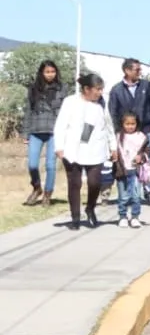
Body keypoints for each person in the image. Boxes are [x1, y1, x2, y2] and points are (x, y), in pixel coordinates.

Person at [52, 72, 113, 230]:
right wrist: (59, 146)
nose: (100, 93)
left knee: (94, 183)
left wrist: (113, 147)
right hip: (73, 149)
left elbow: (109, 126)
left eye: (101, 89)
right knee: (75, 183)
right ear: (86, 89)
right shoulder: (70, 101)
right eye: (97, 89)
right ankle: (75, 218)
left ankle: (90, 208)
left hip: (95, 149)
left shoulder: (101, 104)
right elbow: (60, 125)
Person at [108, 58, 150, 206]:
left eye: (140, 69)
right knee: (128, 162)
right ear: (127, 70)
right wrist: (115, 134)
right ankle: (128, 192)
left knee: (147, 162)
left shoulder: (147, 86)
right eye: (137, 70)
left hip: (145, 130)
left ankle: (149, 190)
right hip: (125, 134)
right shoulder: (116, 90)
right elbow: (112, 113)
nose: (140, 72)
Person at [22, 59, 66, 207]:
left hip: (54, 131)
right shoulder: (33, 88)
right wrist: (26, 133)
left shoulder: (62, 88)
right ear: (41, 73)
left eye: (53, 71)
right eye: (47, 72)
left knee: (50, 166)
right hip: (35, 130)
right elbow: (28, 111)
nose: (50, 74)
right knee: (32, 165)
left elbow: (66, 113)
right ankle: (36, 188)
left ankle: (47, 194)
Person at [113, 112, 149, 228]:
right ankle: (122, 216)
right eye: (127, 124)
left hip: (135, 171)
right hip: (122, 171)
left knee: (136, 195)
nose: (130, 126)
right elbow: (112, 152)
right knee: (123, 196)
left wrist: (141, 157)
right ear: (122, 124)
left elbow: (147, 151)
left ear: (136, 124)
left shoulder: (141, 136)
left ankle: (135, 216)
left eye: (132, 124)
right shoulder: (118, 137)